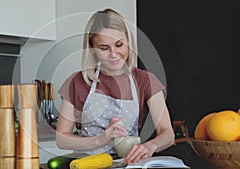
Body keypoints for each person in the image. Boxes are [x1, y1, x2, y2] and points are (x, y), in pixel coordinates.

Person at [56, 8, 175, 163]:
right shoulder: (77, 82)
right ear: (92, 50)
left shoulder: (145, 80)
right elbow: (61, 139)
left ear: (128, 42)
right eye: (104, 48)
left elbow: (168, 134)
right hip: (87, 164)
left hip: (128, 164)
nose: (113, 54)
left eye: (119, 45)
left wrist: (150, 146)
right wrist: (100, 139)